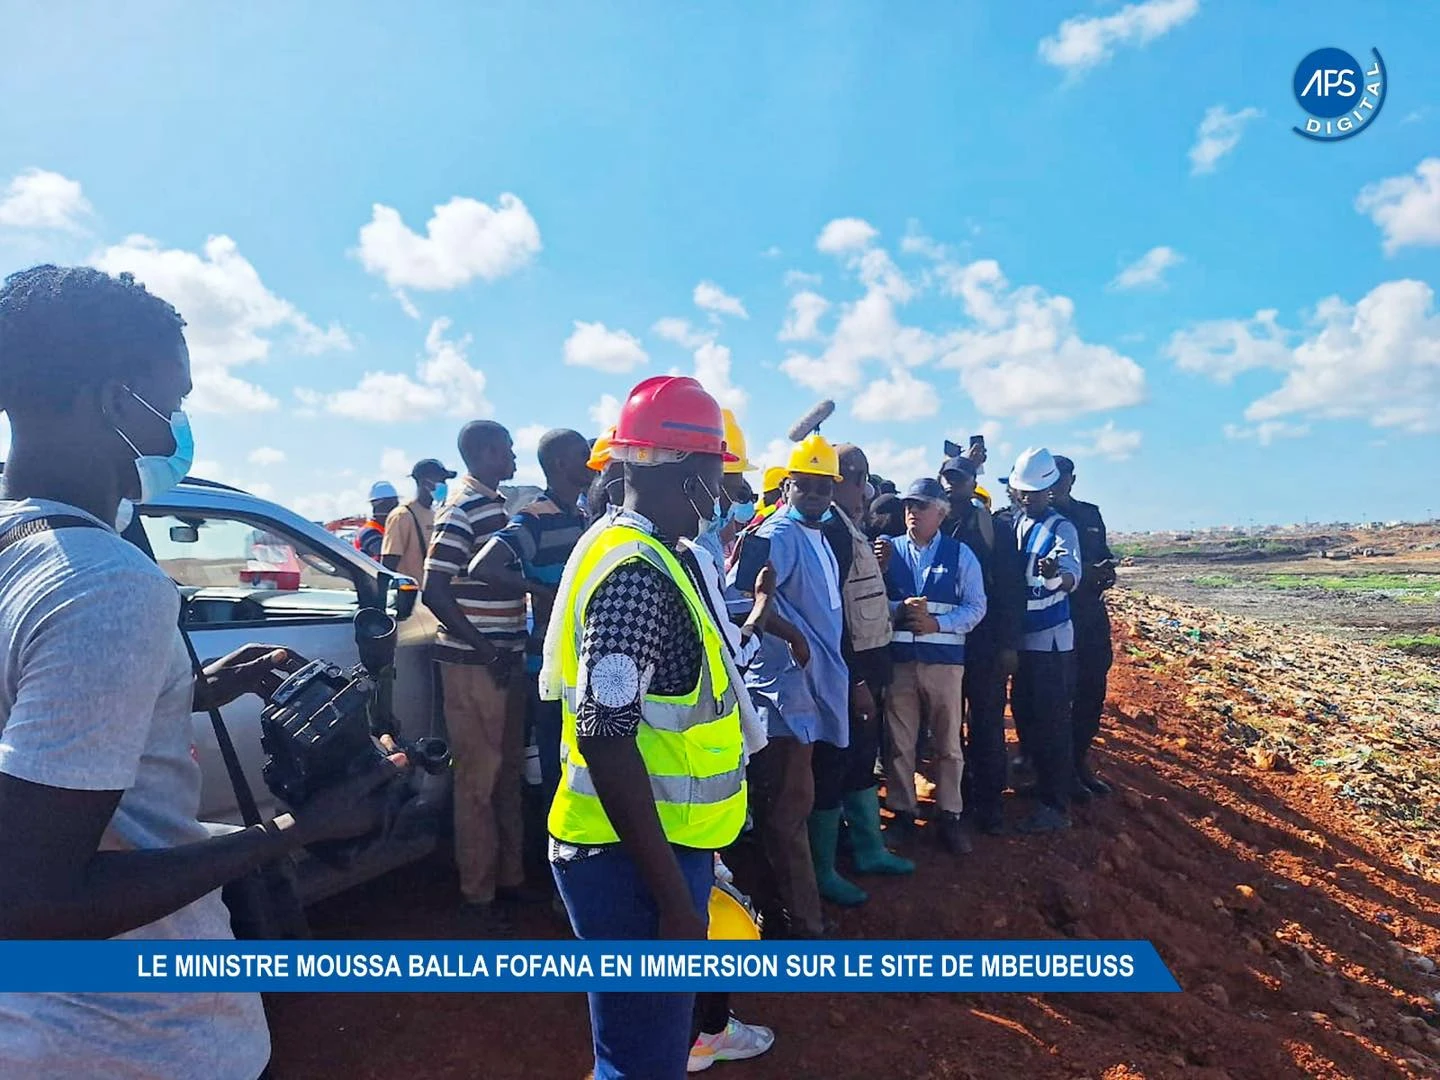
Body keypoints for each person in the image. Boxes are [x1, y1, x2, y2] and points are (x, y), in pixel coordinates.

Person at [0, 265, 402, 1080]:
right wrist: (297, 831)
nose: (174, 435)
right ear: (114, 401)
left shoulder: (19, 552)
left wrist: (186, 691)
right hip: (124, 1038)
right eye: (171, 406)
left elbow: (32, 722)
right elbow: (33, 900)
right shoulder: (103, 582)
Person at [541, 375, 751, 1080]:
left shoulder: (646, 551)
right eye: (717, 477)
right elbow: (606, 731)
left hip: (644, 844)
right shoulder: (635, 573)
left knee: (643, 1051)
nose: (722, 497)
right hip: (626, 861)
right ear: (691, 473)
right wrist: (672, 898)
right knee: (641, 1062)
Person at [729, 433, 850, 937]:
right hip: (780, 690)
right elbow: (740, 602)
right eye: (808, 486)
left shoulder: (818, 533)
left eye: (826, 487)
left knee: (788, 806)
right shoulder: (772, 534)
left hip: (808, 686)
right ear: (787, 486)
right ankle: (801, 922)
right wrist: (790, 633)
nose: (819, 496)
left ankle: (790, 913)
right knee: (785, 808)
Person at [422, 420, 532, 930]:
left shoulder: (490, 503)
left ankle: (508, 880)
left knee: (504, 774)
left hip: (500, 659)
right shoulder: (463, 506)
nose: (513, 458)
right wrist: (486, 647)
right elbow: (434, 589)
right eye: (506, 450)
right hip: (474, 665)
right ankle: (477, 896)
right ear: (485, 453)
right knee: (478, 781)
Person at [468, 430, 592, 808]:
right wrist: (541, 591)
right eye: (582, 455)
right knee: (558, 777)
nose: (591, 461)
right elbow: (483, 565)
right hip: (548, 665)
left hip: (579, 662)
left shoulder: (580, 516)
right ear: (559, 464)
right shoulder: (536, 517)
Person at [820, 445, 914, 887]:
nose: (862, 487)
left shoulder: (848, 526)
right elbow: (833, 615)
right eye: (855, 477)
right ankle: (824, 869)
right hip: (848, 673)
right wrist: (855, 678)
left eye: (863, 477)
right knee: (838, 763)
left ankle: (868, 849)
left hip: (865, 667)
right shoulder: (832, 532)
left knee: (860, 759)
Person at [881, 479, 987, 854]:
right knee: (899, 742)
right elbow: (870, 601)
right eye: (909, 505)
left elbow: (977, 607)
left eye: (921, 506)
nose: (912, 512)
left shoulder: (961, 555)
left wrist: (937, 624)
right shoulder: (888, 552)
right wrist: (899, 612)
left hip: (944, 664)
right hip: (901, 664)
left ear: (940, 513)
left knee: (947, 742)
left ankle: (950, 813)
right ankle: (903, 812)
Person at [939, 454, 1024, 835]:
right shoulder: (933, 525)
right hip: (945, 642)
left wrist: (1009, 644)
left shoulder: (996, 530)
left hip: (986, 643)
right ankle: (956, 803)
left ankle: (989, 806)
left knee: (988, 724)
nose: (951, 486)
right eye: (946, 478)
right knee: (948, 726)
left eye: (959, 479)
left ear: (974, 483)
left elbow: (1010, 589)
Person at [1007, 448, 1083, 833]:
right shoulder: (1016, 525)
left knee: (1053, 722)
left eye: (1035, 493)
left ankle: (1055, 803)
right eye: (1023, 492)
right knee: (1026, 714)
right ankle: (1040, 783)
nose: (1028, 498)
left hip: (1051, 643)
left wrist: (1055, 577)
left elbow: (1071, 576)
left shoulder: (1061, 528)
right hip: (1025, 639)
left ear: (1049, 491)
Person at [1052, 456, 1117, 797]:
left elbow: (1103, 556)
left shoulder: (1089, 515)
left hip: (1089, 615)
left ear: (1072, 480)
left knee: (1092, 690)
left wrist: (1105, 572)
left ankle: (1078, 761)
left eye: (1062, 478)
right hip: (1055, 616)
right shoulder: (1040, 519)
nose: (1057, 485)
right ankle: (1052, 768)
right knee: (1057, 695)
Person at [381, 458, 456, 583]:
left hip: (430, 595)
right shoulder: (402, 515)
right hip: (410, 595)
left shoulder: (435, 514)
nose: (444, 485)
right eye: (441, 480)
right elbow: (389, 564)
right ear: (424, 482)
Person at [356, 481, 400, 559]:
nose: (396, 508)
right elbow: (389, 555)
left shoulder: (387, 529)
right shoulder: (368, 532)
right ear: (377, 506)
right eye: (391, 504)